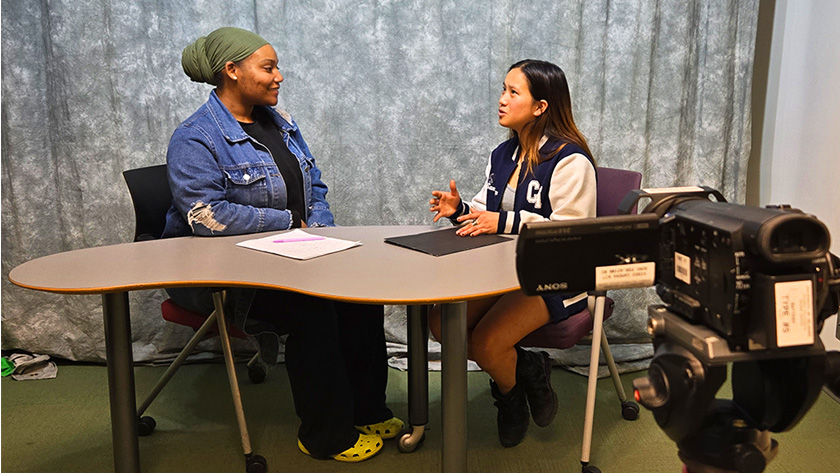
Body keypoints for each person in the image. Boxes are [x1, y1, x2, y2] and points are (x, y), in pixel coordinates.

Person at [161, 27, 402, 462]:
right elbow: (205, 217)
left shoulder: (281, 123)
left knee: (359, 294)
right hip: (219, 275)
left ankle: (367, 410)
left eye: (277, 67)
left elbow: (317, 189)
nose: (279, 77)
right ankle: (325, 436)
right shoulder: (194, 137)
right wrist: (290, 223)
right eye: (268, 68)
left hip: (292, 256)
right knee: (312, 308)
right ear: (231, 71)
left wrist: (321, 237)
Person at [428, 59, 597, 447]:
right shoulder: (503, 155)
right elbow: (488, 216)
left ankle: (510, 397)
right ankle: (528, 367)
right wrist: (460, 212)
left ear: (541, 106)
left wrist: (500, 222)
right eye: (503, 89)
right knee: (441, 324)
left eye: (513, 92)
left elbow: (570, 232)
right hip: (504, 270)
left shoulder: (570, 160)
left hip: (556, 275)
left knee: (487, 344)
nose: (502, 100)